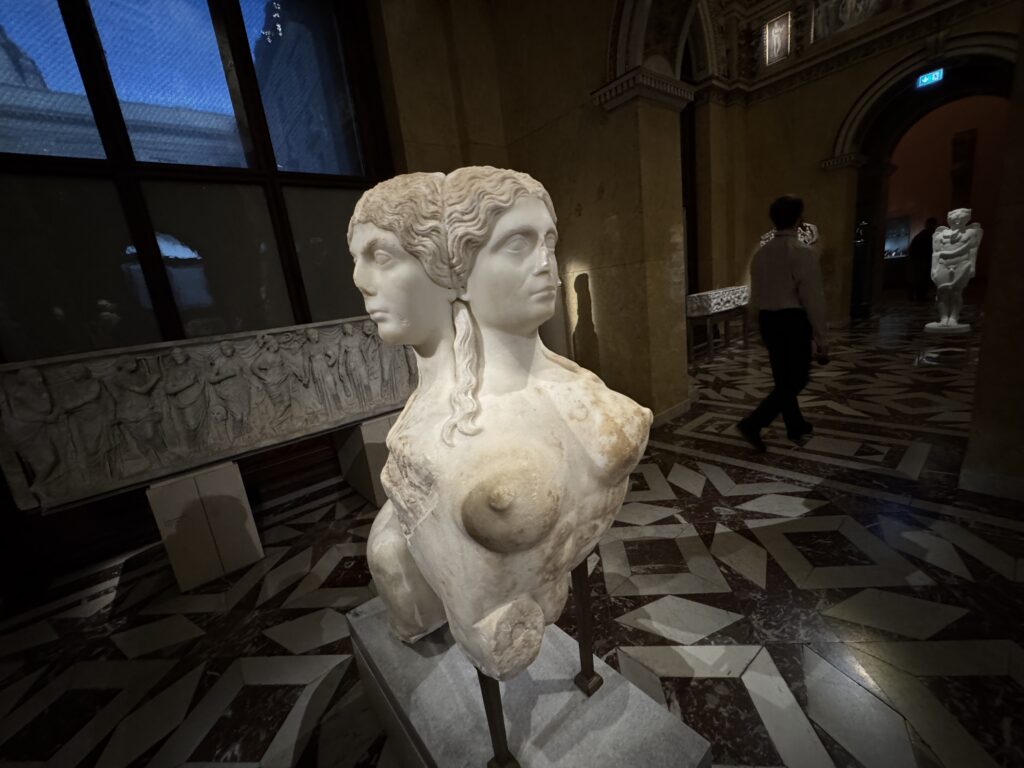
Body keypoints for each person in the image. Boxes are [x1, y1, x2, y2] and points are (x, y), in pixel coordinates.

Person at [738, 195, 828, 451]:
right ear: (799, 219)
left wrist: (756, 325)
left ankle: (795, 424)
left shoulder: (761, 254)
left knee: (783, 378)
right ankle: (753, 423)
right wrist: (821, 337)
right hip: (792, 321)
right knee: (797, 379)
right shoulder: (802, 253)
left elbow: (756, 296)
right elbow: (813, 298)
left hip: (768, 320)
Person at [908, 217, 938, 301]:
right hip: (923, 260)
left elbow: (912, 248)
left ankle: (918, 296)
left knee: (919, 279)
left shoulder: (922, 235)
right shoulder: (927, 235)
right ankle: (920, 296)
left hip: (920, 260)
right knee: (922, 279)